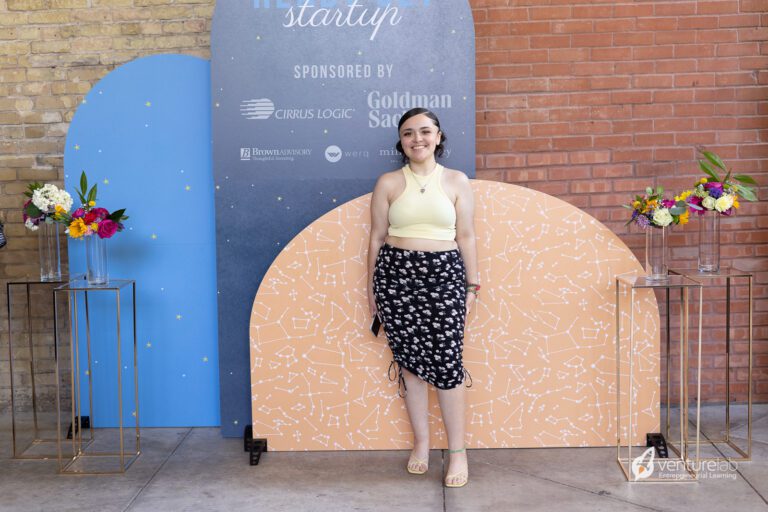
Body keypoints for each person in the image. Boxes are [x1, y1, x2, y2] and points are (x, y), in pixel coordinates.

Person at [367, 107, 478, 488]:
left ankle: (458, 452)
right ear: (401, 141)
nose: (418, 138)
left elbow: (466, 237)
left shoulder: (457, 181)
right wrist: (372, 292)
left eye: (425, 131)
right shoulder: (388, 183)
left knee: (447, 366)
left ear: (439, 136)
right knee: (411, 367)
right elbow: (376, 238)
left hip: (445, 275)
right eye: (409, 133)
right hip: (396, 277)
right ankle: (422, 444)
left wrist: (472, 286)